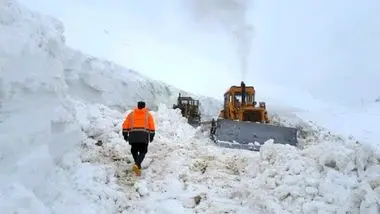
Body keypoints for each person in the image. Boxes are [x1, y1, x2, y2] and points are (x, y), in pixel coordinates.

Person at [122, 101, 155, 176]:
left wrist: (125, 134)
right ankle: (137, 164)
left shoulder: (131, 114)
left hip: (133, 135)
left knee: (134, 150)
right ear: (144, 106)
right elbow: (152, 125)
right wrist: (152, 135)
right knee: (143, 151)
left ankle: (137, 165)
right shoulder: (148, 115)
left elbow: (125, 124)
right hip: (143, 135)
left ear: (137, 106)